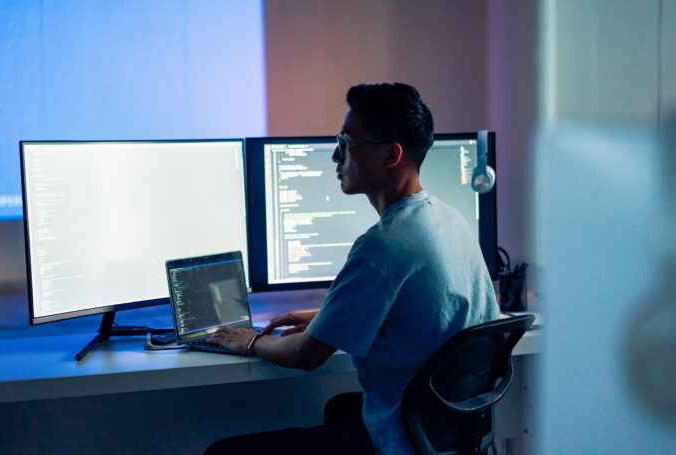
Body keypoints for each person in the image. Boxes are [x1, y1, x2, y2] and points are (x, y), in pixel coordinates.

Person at [204, 82, 499, 454]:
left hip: (407, 441)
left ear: (391, 155)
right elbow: (423, 308)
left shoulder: (382, 245)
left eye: (345, 143)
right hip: (450, 431)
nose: (334, 156)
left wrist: (249, 341)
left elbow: (304, 356)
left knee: (223, 453)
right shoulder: (450, 219)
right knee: (339, 409)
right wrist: (330, 315)